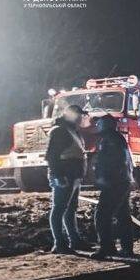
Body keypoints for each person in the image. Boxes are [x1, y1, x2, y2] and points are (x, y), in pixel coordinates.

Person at [45, 104, 90, 254]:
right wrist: (58, 175)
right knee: (59, 209)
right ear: (69, 114)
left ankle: (74, 240)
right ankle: (59, 243)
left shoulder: (72, 131)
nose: (80, 117)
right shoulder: (59, 131)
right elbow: (51, 156)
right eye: (78, 114)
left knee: (70, 210)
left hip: (73, 176)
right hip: (65, 175)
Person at [91, 115, 135, 259]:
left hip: (114, 183)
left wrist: (103, 178)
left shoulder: (109, 139)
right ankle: (127, 248)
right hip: (123, 181)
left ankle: (107, 247)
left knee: (102, 215)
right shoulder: (118, 138)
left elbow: (110, 161)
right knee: (123, 216)